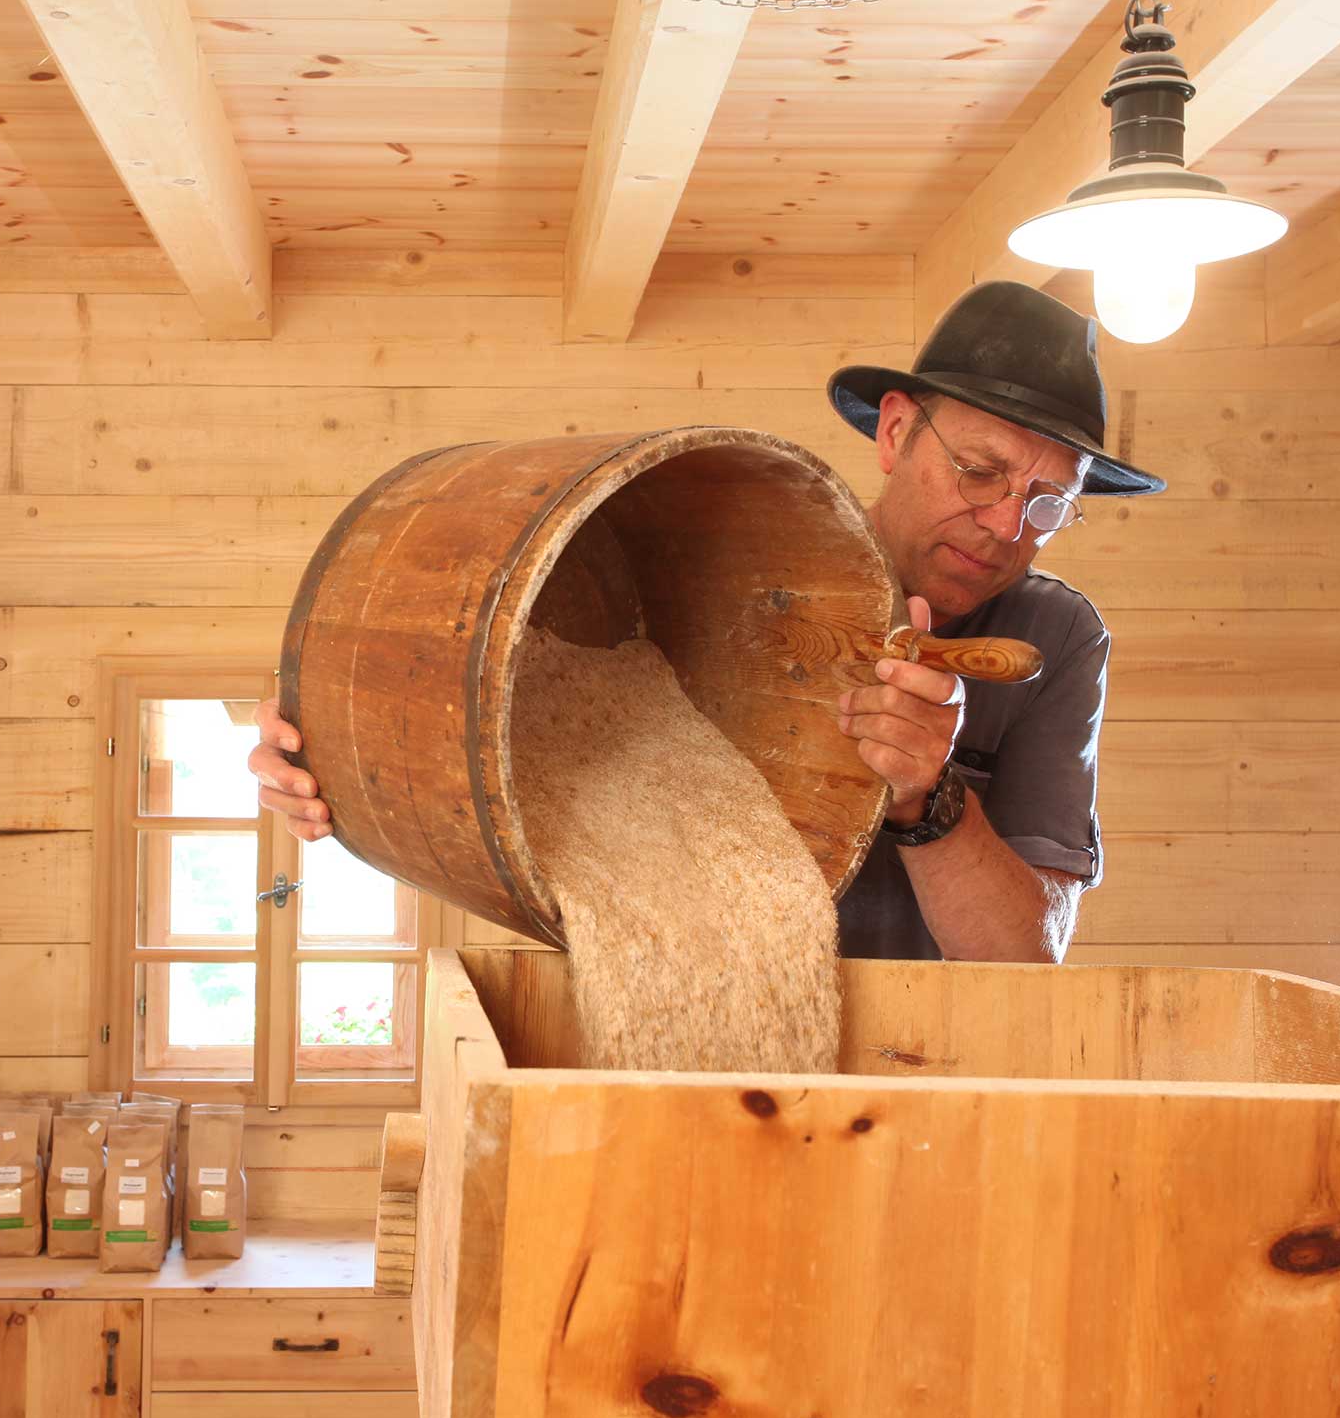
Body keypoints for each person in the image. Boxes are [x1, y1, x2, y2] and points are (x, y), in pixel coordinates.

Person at [248, 280, 1162, 963]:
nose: (1007, 524)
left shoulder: (1054, 639)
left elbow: (1026, 957)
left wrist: (930, 800)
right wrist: (328, 759)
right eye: (979, 470)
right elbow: (473, 752)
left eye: (1049, 503)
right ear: (894, 434)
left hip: (916, 1064)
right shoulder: (747, 562)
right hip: (665, 1010)